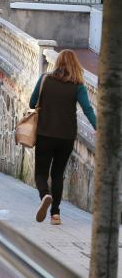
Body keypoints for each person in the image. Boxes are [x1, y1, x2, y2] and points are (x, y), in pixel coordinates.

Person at [31, 49, 96, 225]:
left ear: (57, 62)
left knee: (40, 173)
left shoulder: (45, 79)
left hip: (45, 134)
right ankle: (55, 215)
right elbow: (87, 109)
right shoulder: (78, 86)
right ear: (75, 64)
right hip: (66, 137)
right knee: (58, 174)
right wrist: (97, 127)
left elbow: (32, 102)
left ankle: (45, 195)